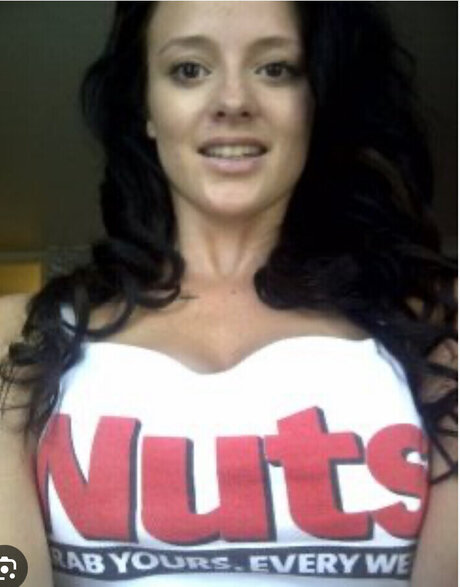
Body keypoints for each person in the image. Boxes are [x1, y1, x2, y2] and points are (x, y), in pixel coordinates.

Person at [0, 2, 457, 586]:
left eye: (275, 68)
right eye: (189, 70)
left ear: (314, 99)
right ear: (146, 107)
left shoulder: (438, 331)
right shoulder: (21, 339)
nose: (233, 101)